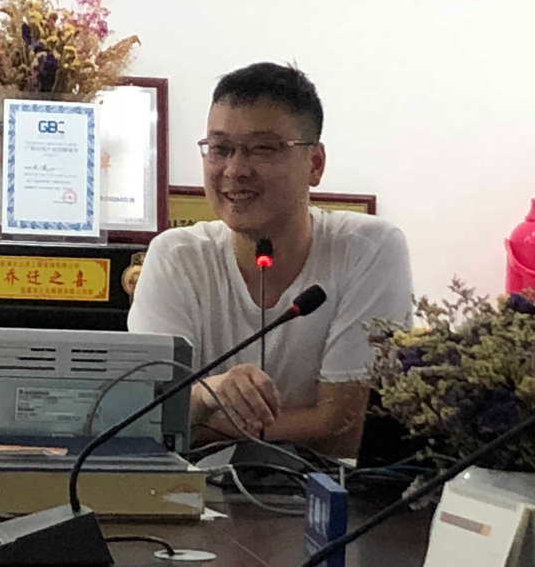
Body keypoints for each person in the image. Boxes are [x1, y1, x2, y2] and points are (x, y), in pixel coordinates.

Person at [128, 63, 412, 456]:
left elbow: (338, 431)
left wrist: (196, 419)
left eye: (262, 149)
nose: (235, 170)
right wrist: (211, 392)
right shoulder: (175, 257)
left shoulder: (369, 249)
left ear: (315, 164)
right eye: (220, 149)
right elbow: (144, 422)